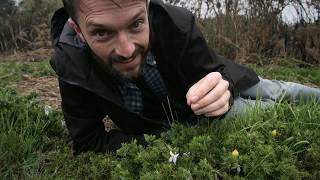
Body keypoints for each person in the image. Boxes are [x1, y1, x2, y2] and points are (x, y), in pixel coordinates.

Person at [50, 0, 320, 154]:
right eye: (101, 33)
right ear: (78, 30)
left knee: (276, 90)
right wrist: (165, 140)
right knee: (266, 112)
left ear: (146, 7)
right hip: (190, 123)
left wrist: (221, 87)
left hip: (213, 99)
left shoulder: (175, 21)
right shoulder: (70, 64)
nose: (126, 50)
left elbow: (213, 68)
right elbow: (88, 142)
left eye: (136, 24)